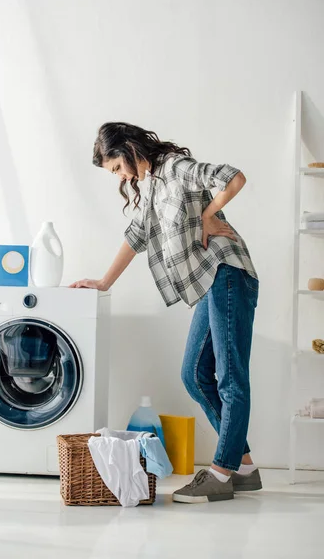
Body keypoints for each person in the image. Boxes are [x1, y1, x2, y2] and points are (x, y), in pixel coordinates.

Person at [70, 122, 261, 503]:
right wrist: (104, 282)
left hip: (227, 273)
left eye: (117, 168)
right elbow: (135, 236)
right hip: (208, 284)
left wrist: (210, 214)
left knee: (230, 376)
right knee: (194, 374)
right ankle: (243, 467)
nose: (121, 177)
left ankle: (221, 474)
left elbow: (234, 177)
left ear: (127, 148)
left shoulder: (175, 167)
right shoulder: (153, 187)